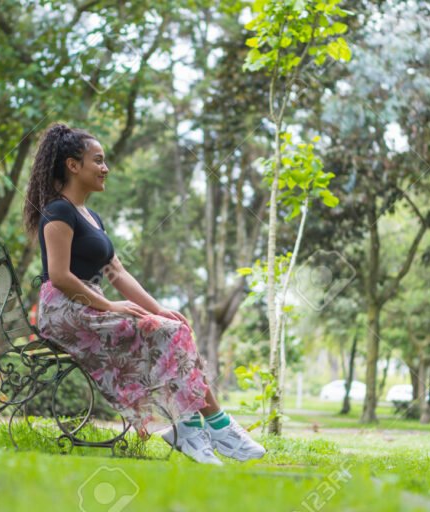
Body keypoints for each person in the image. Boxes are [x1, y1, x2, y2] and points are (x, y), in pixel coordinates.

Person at [23, 122, 265, 465]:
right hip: (64, 310)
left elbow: (117, 273)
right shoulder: (58, 211)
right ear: (73, 165)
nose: (105, 168)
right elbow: (60, 277)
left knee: (174, 327)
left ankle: (200, 427)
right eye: (98, 160)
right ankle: (209, 427)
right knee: (167, 333)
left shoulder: (91, 217)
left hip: (90, 304)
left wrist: (159, 309)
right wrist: (109, 305)